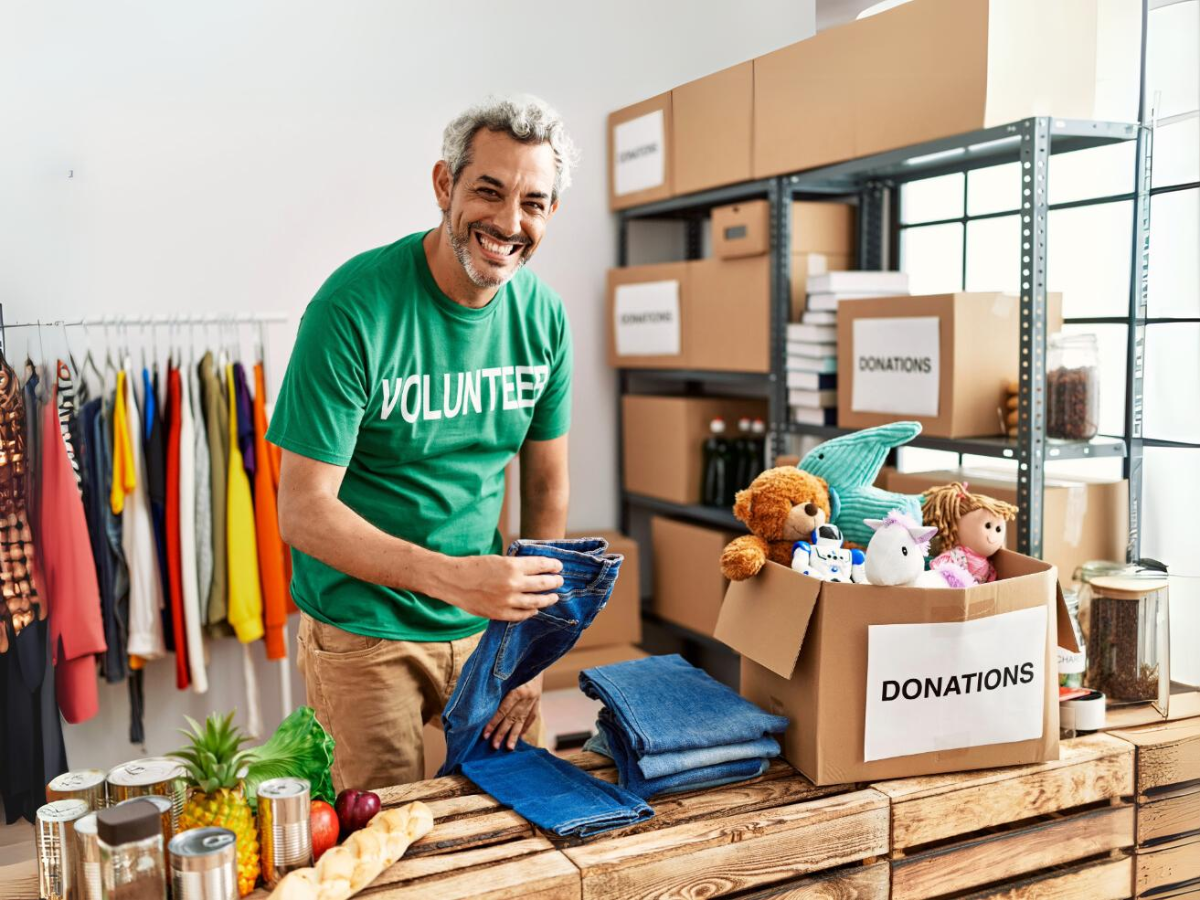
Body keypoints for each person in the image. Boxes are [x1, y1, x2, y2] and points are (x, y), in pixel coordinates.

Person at [268, 95, 577, 790]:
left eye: (533, 202)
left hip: (487, 625)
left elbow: (546, 487)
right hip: (363, 625)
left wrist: (530, 645)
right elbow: (303, 510)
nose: (507, 222)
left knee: (513, 820)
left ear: (550, 214)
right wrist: (454, 577)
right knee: (386, 847)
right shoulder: (352, 309)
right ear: (445, 185)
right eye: (488, 192)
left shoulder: (545, 318)